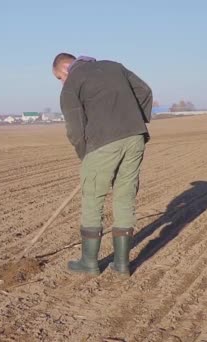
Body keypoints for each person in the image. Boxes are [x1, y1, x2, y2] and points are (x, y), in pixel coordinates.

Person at [52, 53, 152, 276]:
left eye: (59, 77)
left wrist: (85, 155)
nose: (61, 82)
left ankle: (89, 263)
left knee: (93, 199)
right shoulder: (114, 67)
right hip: (136, 137)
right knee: (125, 196)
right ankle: (122, 264)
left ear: (66, 68)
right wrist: (134, 121)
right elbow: (144, 91)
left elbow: (75, 129)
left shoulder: (71, 85)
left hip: (102, 144)